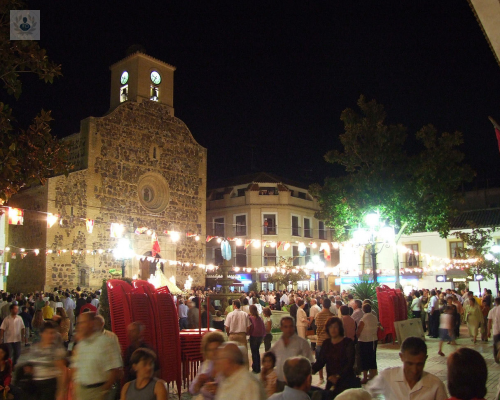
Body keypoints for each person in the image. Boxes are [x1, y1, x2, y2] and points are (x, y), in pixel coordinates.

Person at [367, 336, 447, 400]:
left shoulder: (436, 385)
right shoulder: (387, 377)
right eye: (409, 364)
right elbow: (364, 395)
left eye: (419, 364)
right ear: (401, 357)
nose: (414, 370)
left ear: (425, 359)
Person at [70, 312, 123, 400]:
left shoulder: (107, 342)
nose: (80, 326)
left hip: (99, 391)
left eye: (82, 322)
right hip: (82, 391)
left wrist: (104, 390)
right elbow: (76, 368)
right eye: (79, 323)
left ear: (91, 323)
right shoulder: (81, 345)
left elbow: (115, 369)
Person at [17, 321, 67, 400]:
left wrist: (61, 391)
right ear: (41, 333)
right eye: (47, 333)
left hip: (50, 384)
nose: (50, 336)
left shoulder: (57, 349)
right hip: (36, 385)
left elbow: (62, 371)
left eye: (52, 333)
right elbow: (31, 365)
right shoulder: (35, 348)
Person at [312, 317, 358, 397]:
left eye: (335, 327)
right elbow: (321, 361)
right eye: (330, 327)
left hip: (346, 380)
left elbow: (350, 363)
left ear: (340, 328)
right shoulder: (326, 343)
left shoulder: (347, 342)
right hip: (331, 381)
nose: (333, 329)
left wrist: (338, 376)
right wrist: (311, 370)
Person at [270, 316, 314, 391]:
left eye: (291, 326)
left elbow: (310, 363)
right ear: (281, 328)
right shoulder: (277, 345)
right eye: (286, 327)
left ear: (294, 327)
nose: (288, 329)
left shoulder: (302, 343)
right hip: (280, 382)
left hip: (297, 385)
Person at [189, 331, 225, 400]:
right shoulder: (206, 365)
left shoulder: (228, 366)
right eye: (210, 350)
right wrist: (199, 383)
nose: (214, 353)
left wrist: (219, 391)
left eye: (216, 349)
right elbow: (192, 390)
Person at [314, 298, 335, 385]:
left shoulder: (319, 315)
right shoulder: (333, 316)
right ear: (330, 305)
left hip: (320, 340)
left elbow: (317, 327)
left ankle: (321, 378)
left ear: (322, 304)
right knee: (331, 361)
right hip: (330, 341)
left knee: (319, 360)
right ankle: (330, 377)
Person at [356, 303, 378, 384]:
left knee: (364, 358)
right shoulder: (374, 317)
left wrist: (356, 337)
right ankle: (374, 375)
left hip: (364, 341)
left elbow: (359, 330)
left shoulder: (363, 319)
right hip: (373, 340)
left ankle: (365, 377)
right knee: (372, 357)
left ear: (363, 309)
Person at [249, 304, 266, 373]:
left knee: (254, 352)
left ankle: (255, 367)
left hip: (254, 336)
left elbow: (250, 327)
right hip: (260, 336)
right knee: (257, 352)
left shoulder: (251, 318)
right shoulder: (260, 318)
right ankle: (258, 367)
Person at [488, 296, 500, 362]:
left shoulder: (492, 310)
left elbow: (489, 322)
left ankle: (496, 357)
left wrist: (488, 331)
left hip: (495, 330)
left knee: (495, 344)